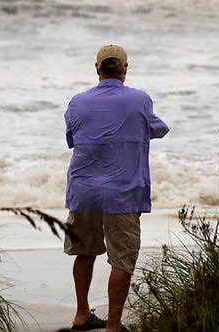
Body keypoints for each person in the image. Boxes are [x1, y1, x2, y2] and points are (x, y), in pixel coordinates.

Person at [63, 44, 169, 332]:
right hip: (122, 193)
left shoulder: (77, 102)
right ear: (124, 69)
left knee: (85, 252)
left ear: (97, 69)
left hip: (83, 190)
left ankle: (82, 314)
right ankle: (113, 326)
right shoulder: (140, 100)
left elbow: (72, 138)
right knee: (121, 259)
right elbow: (160, 129)